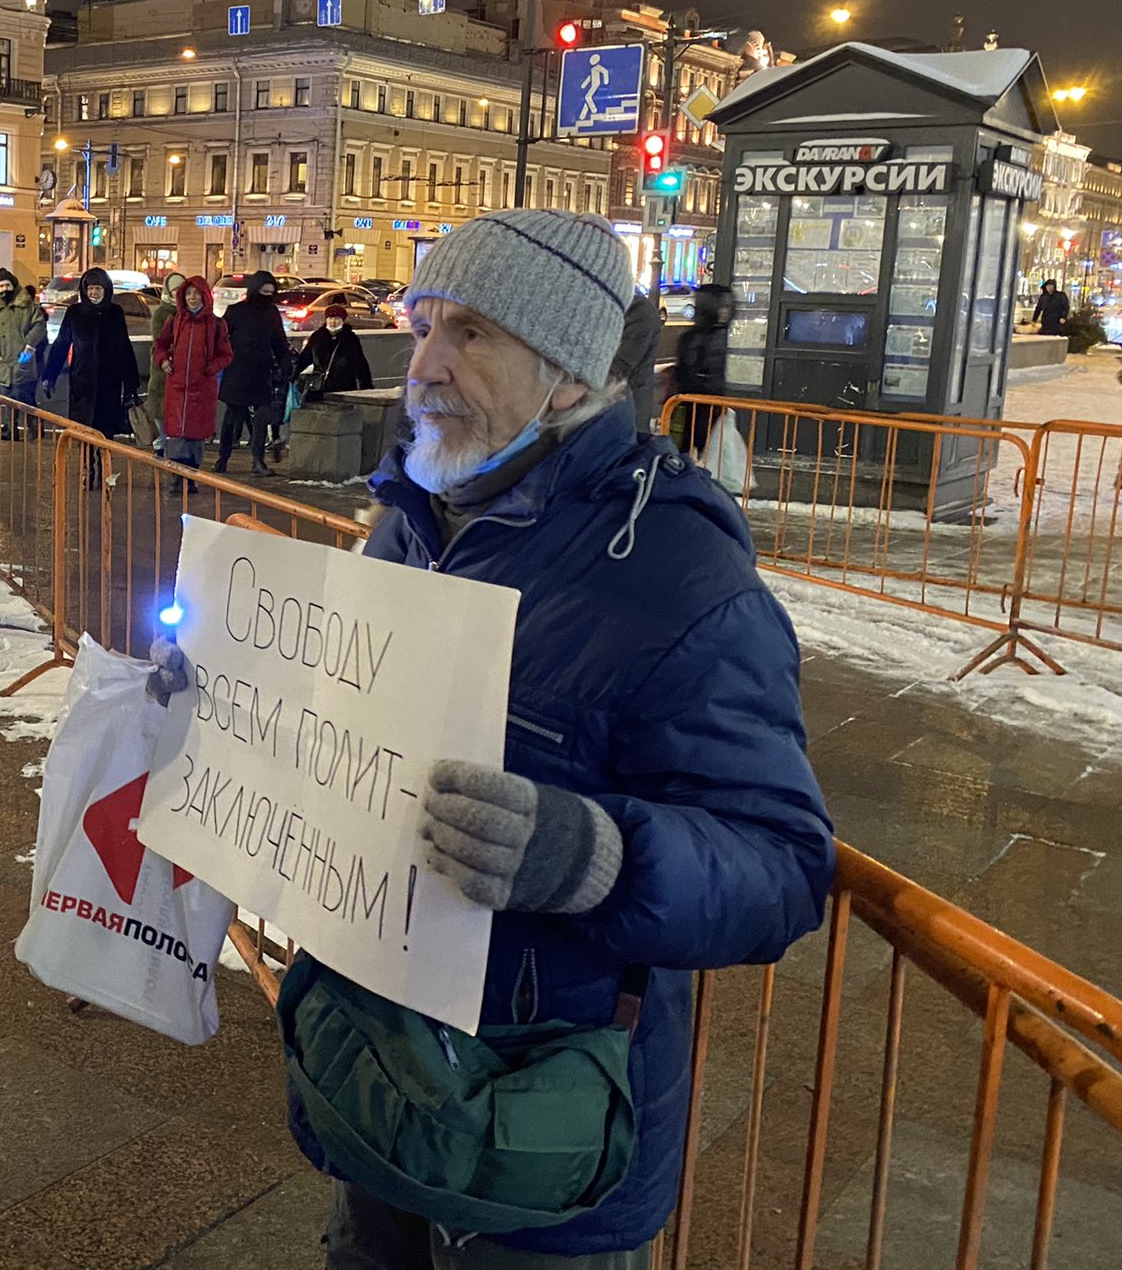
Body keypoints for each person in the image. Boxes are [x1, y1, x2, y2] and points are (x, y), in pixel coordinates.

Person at [151, 209, 833, 1270]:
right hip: (380, 1080)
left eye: (468, 333)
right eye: (422, 324)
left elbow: (782, 871)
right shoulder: (413, 518)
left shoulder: (679, 578)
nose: (421, 364)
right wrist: (233, 691)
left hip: (535, 1139)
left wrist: (590, 855)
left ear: (565, 372)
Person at [41, 267, 139, 488]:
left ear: (106, 290)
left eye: (98, 288)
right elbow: (61, 345)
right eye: (91, 288)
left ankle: (105, 470)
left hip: (108, 384)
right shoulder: (75, 313)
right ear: (84, 291)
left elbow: (125, 349)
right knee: (84, 433)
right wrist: (50, 375)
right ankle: (87, 469)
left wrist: (131, 384)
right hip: (82, 383)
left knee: (105, 434)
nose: (94, 293)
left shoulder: (115, 314)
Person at [151, 275, 231, 493]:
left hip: (202, 388)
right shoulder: (175, 321)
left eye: (196, 294)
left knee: (195, 436)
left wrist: (211, 368)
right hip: (177, 387)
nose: (192, 298)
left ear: (204, 296)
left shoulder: (216, 324)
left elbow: (226, 355)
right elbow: (159, 345)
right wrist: (163, 361)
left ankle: (191, 477)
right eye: (188, 294)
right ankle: (177, 478)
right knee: (176, 434)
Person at [216, 268, 293, 476]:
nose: (267, 297)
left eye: (270, 293)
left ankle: (257, 460)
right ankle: (223, 458)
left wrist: (285, 364)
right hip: (237, 371)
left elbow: (279, 341)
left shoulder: (272, 313)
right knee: (232, 417)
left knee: (261, 417)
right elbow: (221, 337)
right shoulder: (236, 311)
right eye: (264, 292)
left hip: (261, 373)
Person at [0, 267, 47, 436]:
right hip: (3, 361)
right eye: (1, 286)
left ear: (14, 286)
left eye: (8, 285)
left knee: (22, 394)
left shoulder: (26, 306)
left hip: (23, 357)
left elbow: (39, 325)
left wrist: (29, 345)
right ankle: (12, 428)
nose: (5, 289)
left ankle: (34, 426)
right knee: (8, 396)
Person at [673, 283, 733, 458]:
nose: (725, 311)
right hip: (705, 406)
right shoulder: (716, 337)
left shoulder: (693, 336)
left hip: (697, 405)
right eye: (722, 306)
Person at [295, 298, 376, 399]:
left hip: (344, 387)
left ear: (342, 320)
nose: (333, 321)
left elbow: (359, 362)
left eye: (337, 318)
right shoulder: (318, 337)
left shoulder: (350, 338)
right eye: (330, 318)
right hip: (320, 387)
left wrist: (366, 385)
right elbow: (305, 358)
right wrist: (292, 375)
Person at [146, 270, 188, 455]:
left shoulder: (190, 312)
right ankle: (160, 446)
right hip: (164, 370)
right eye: (175, 290)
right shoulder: (163, 313)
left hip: (186, 371)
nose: (178, 294)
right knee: (162, 409)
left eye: (182, 289)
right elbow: (159, 341)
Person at [610, 287, 662, 433]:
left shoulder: (640, 313)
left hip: (629, 409)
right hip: (615, 407)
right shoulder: (619, 310)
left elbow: (621, 366)